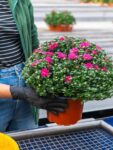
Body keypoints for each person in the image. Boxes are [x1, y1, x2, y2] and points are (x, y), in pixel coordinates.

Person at [0, 0, 68, 132]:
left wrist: (45, 77)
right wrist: (21, 93)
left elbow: (32, 39)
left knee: (27, 140)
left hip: (24, 79)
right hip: (13, 90)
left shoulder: (20, 2)